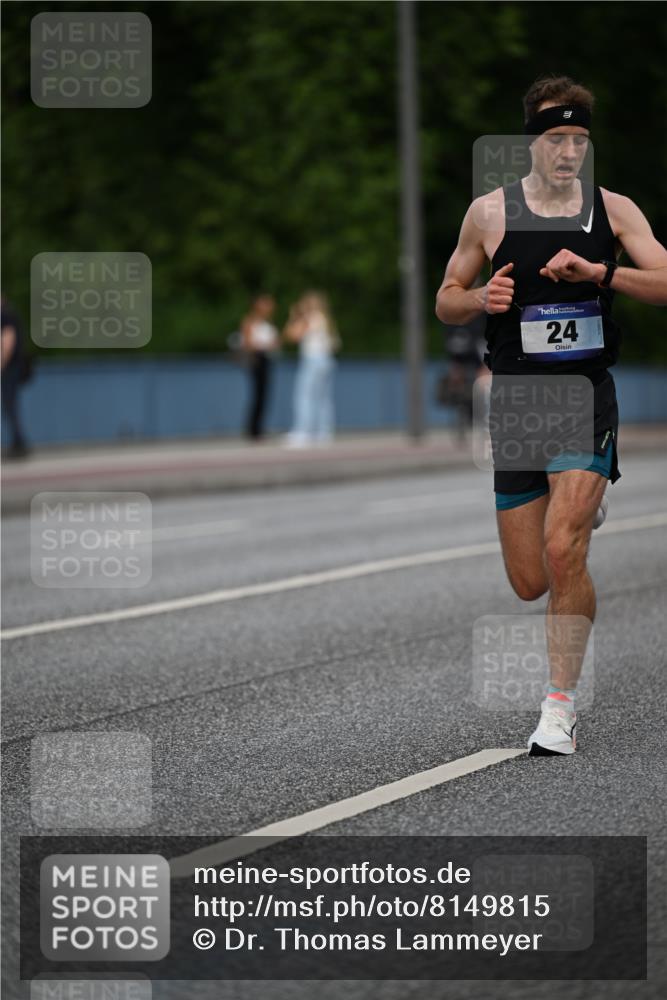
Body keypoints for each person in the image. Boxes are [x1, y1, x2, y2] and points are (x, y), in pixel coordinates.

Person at [435, 75, 667, 755]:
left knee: (564, 549)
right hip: (516, 401)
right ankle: (581, 505)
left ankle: (558, 709)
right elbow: (446, 297)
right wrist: (479, 299)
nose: (569, 152)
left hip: (583, 396)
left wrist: (601, 274)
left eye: (579, 140)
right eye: (556, 138)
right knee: (530, 580)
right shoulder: (489, 214)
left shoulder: (612, 210)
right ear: (529, 143)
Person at [283, 292, 340, 448]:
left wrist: (293, 317)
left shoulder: (310, 318)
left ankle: (303, 432)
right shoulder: (325, 319)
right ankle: (324, 432)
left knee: (304, 396)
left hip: (313, 359)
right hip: (326, 360)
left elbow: (292, 336)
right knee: (323, 398)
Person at [240, 293, 279, 440]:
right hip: (257, 359)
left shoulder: (269, 324)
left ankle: (260, 427)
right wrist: (264, 346)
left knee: (265, 395)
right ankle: (253, 428)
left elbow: (276, 342)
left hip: (268, 358)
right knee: (257, 394)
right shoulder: (250, 321)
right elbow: (247, 343)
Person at [1, 296, 31, 458]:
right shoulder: (10, 314)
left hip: (10, 367)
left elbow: (8, 342)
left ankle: (19, 444)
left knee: (9, 406)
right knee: (10, 406)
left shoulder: (5, 315)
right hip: (14, 366)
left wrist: (2, 365)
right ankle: (18, 443)